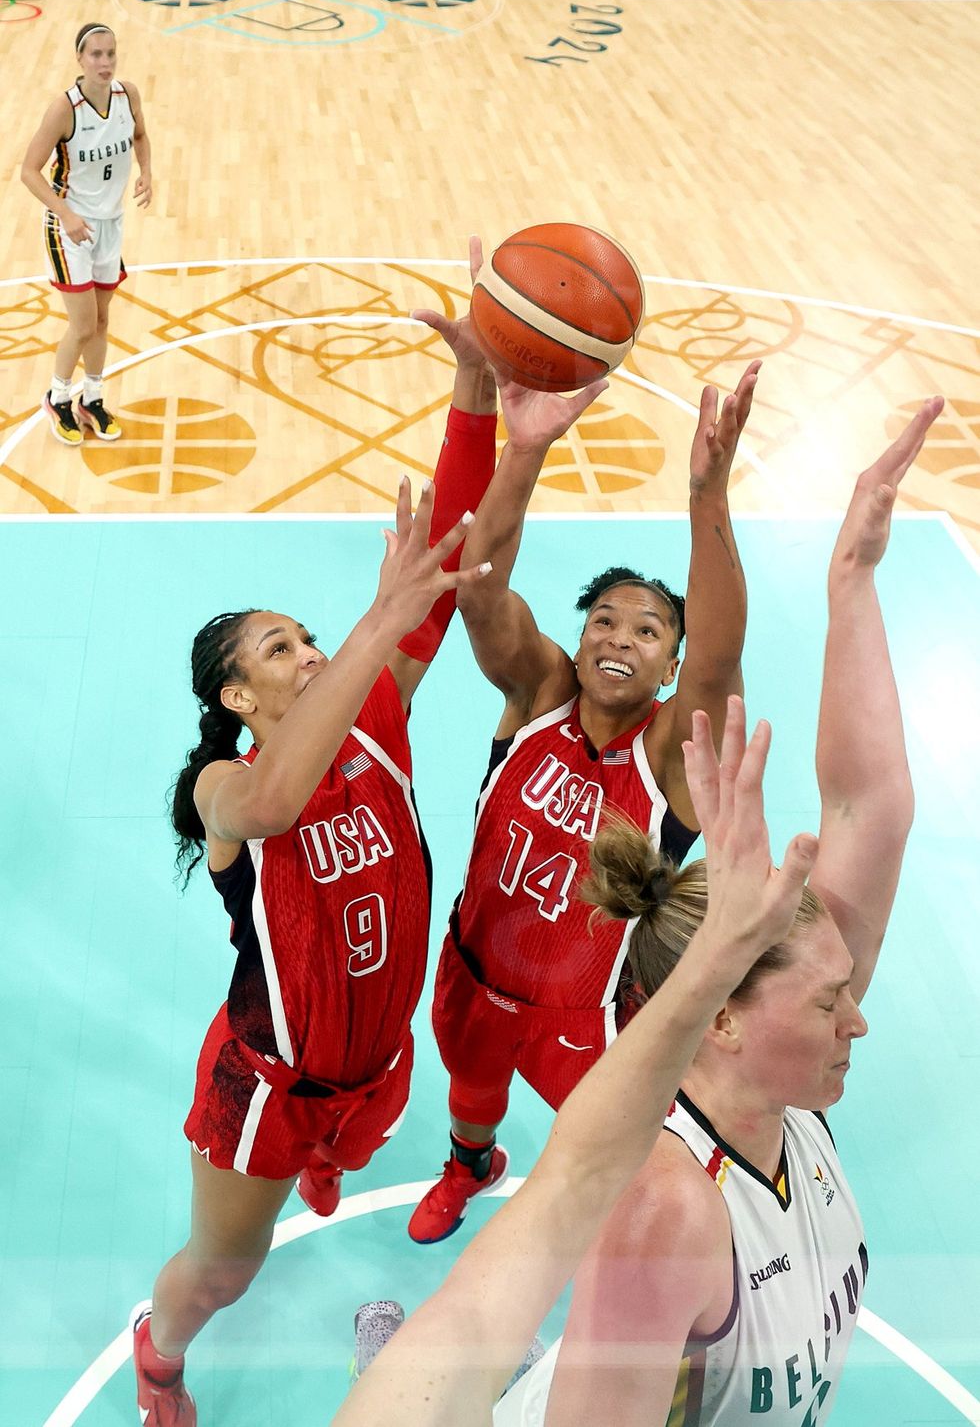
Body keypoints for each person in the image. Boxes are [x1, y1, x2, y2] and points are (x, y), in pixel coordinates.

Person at [127, 345, 600, 1426]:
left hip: (378, 1066)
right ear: (237, 696)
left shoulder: (373, 718)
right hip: (270, 1083)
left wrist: (484, 402)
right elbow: (278, 804)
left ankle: (335, 1158)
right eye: (279, 650)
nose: (307, 653)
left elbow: (453, 556)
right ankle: (159, 1353)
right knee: (221, 1272)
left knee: (358, 1137)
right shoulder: (222, 788)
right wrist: (381, 622)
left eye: (309, 638)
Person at [490, 396, 944, 1426]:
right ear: (723, 1018)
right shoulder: (664, 1210)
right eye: (830, 1002)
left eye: (840, 994)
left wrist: (852, 579)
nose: (858, 1019)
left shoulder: (784, 1091)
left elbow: (870, 808)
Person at [334, 693, 822, 1427]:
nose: (853, 1024)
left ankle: (437, 1359)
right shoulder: (544, 708)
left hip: (571, 1017)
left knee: (553, 1224)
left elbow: (568, 1191)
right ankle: (460, 1318)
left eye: (650, 634)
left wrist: (721, 957)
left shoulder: (640, 754)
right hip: (487, 982)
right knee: (549, 1173)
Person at [409, 267, 761, 1243]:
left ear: (669, 665)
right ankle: (470, 1162)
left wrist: (707, 495)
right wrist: (522, 447)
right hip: (475, 965)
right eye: (603, 618)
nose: (618, 637)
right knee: (470, 1093)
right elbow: (479, 589)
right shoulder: (538, 694)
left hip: (593, 1010)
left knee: (606, 1170)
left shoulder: (672, 752)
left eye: (647, 631)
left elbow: (721, 652)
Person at [20, 23, 152, 445]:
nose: (105, 62)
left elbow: (140, 136)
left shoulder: (128, 95)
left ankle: (91, 399)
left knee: (101, 319)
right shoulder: (65, 109)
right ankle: (57, 397)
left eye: (111, 53)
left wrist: (147, 172)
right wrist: (66, 213)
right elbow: (28, 171)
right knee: (82, 325)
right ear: (80, 58)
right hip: (70, 229)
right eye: (96, 54)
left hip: (110, 224)